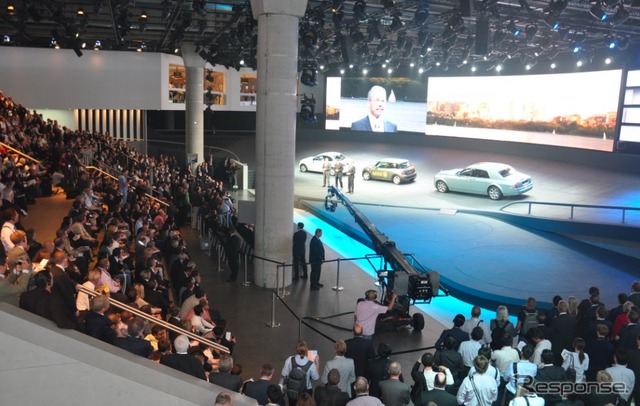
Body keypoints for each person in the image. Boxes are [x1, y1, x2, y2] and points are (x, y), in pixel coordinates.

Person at [280, 340, 320, 406]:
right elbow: (316, 377)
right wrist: (317, 363)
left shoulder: (289, 359)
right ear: (306, 350)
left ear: (297, 349)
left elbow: (284, 374)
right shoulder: (311, 364)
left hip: (292, 390)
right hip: (306, 392)